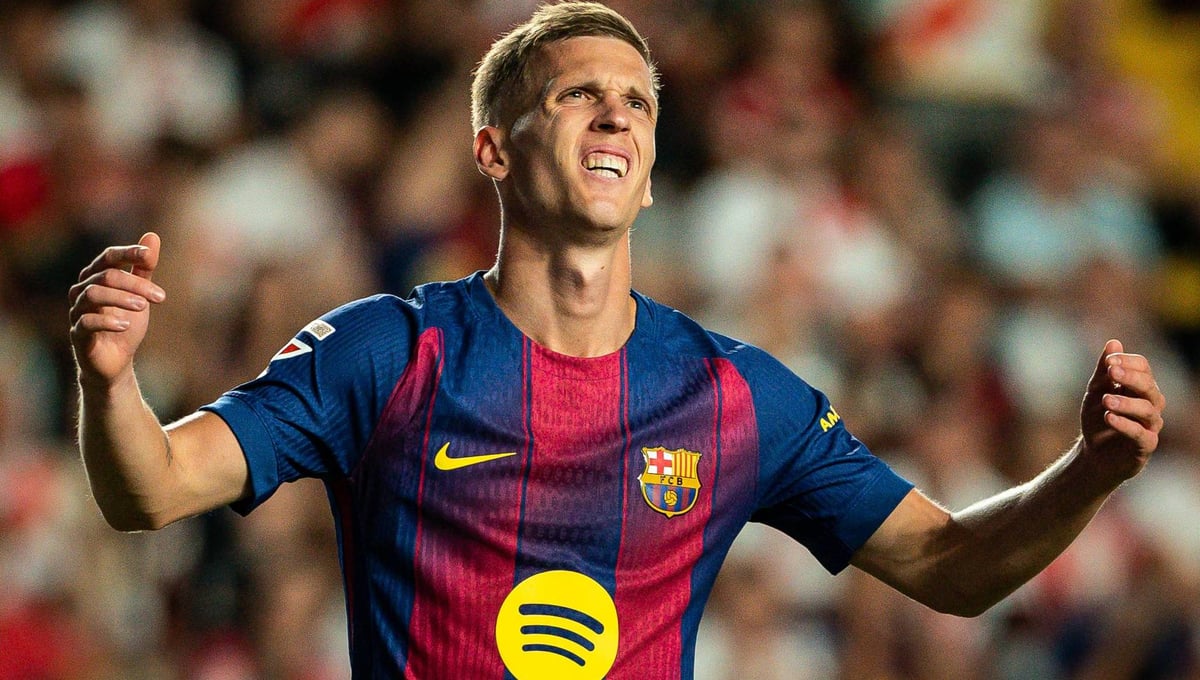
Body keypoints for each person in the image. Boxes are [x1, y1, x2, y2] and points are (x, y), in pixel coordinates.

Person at [68, 3, 1167, 679]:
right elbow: (149, 489)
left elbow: (952, 567)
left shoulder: (740, 396)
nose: (616, 116)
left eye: (636, 103)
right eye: (578, 95)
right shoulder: (386, 353)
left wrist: (1091, 469)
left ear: (645, 172)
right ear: (493, 150)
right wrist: (109, 380)